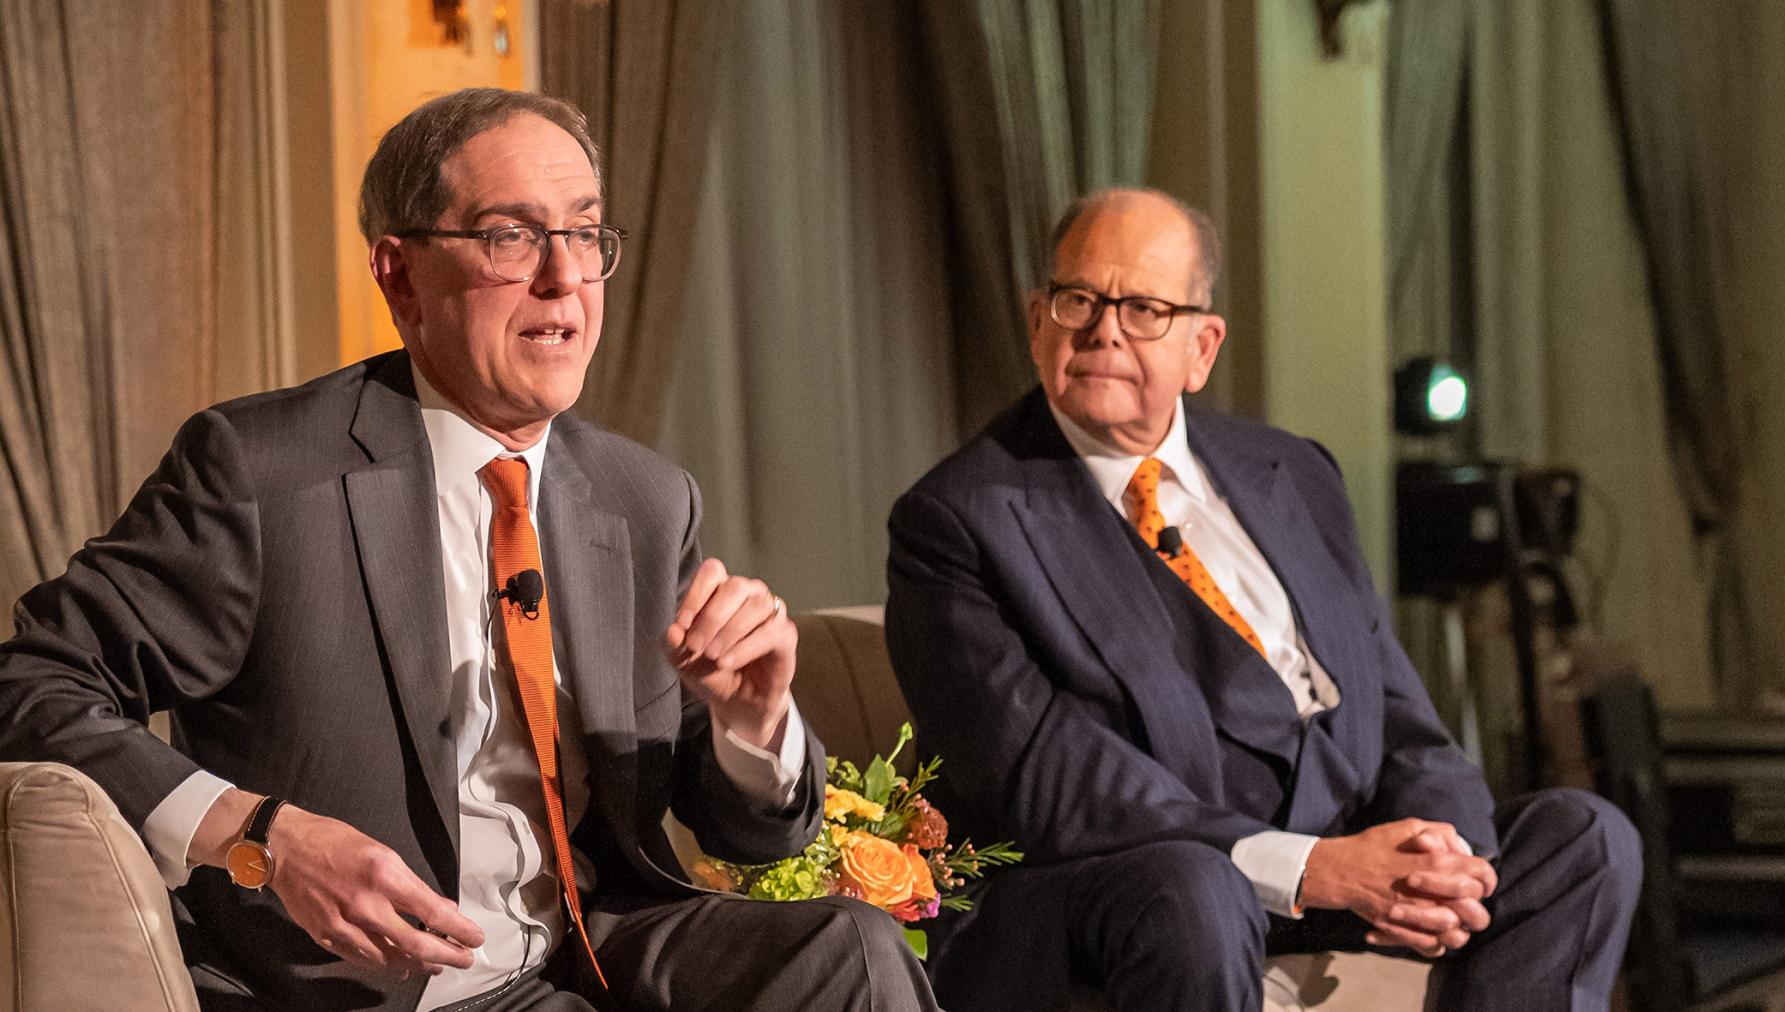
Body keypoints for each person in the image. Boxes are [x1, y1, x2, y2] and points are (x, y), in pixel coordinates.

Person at [0, 88, 936, 1012]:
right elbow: (31, 685)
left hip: (603, 951)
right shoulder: (262, 473)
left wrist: (754, 723)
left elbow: (750, 836)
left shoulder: (642, 498)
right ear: (399, 273)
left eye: (583, 233)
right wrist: (264, 838)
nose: (563, 277)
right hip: (376, 984)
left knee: (852, 950)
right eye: (510, 237)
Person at [884, 187, 1641, 1011]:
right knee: (1193, 890)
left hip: (1337, 851)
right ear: (1039, 323)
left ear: (1201, 347)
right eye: (1078, 301)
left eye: (1143, 307)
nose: (1104, 329)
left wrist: (1438, 854)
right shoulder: (960, 518)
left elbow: (1393, 708)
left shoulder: (1293, 471)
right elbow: (1053, 783)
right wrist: (1311, 867)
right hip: (1132, 884)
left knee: (1587, 839)